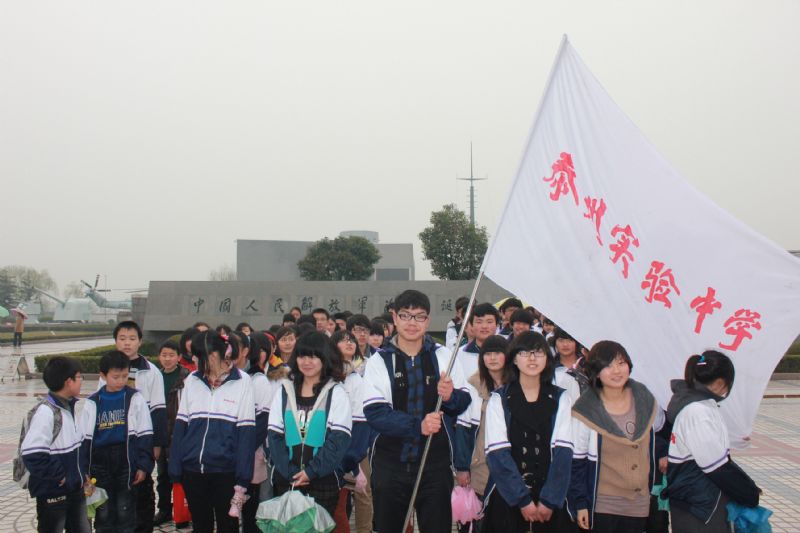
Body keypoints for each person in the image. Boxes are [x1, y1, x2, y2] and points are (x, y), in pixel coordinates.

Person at [363, 289, 471, 533]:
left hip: (435, 466)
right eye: (405, 315)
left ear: (428, 320)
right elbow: (376, 413)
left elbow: (462, 403)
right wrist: (417, 426)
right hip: (391, 466)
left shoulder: (444, 356)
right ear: (394, 317)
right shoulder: (379, 361)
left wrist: (450, 395)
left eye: (419, 317)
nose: (412, 323)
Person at [568, 340, 666, 533]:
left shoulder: (644, 398)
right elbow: (575, 461)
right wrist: (579, 503)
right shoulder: (586, 409)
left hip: (639, 502)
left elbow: (654, 437)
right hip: (603, 503)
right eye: (607, 366)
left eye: (621, 363)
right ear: (596, 371)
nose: (616, 371)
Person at [482, 332, 574, 532]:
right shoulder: (499, 399)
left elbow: (563, 452)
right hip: (508, 494)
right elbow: (497, 453)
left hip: (550, 496)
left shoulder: (561, 398)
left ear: (547, 359)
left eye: (538, 353)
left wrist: (549, 500)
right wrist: (522, 499)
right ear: (514, 358)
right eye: (524, 353)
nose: (532, 358)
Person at [169, 330, 256, 533]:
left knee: (228, 526)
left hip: (225, 471)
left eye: (198, 355)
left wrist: (243, 477)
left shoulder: (243, 381)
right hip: (192, 470)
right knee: (200, 525)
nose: (193, 359)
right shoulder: (192, 380)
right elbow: (181, 426)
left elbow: (246, 434)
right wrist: (175, 466)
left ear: (214, 355)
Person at [665, 351, 760, 532]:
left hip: (696, 501)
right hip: (701, 504)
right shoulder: (698, 412)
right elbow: (716, 467)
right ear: (719, 383)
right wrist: (748, 492)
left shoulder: (698, 406)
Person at [267, 331, 352, 518]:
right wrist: (291, 473)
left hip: (323, 482)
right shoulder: (284, 391)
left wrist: (311, 472)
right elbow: (274, 436)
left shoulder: (336, 393)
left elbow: (338, 440)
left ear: (325, 358)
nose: (306, 362)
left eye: (313, 357)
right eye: (302, 356)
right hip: (287, 480)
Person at [80, 351, 154, 533]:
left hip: (126, 460)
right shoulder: (92, 402)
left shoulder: (135, 398)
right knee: (103, 511)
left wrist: (143, 465)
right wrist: (84, 471)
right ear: (103, 375)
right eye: (115, 377)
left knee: (125, 509)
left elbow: (145, 433)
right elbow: (84, 439)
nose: (121, 381)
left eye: (124, 376)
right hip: (99, 462)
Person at [21, 356, 91, 533]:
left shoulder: (68, 408)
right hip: (54, 493)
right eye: (79, 376)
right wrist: (60, 476)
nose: (81, 380)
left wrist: (83, 475)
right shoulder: (46, 412)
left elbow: (78, 448)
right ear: (69, 382)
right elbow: (32, 454)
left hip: (75, 489)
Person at [108, 320, 165, 533]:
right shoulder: (108, 369)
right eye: (122, 339)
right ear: (115, 341)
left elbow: (159, 411)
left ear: (140, 342)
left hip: (141, 441)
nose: (127, 343)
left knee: (142, 490)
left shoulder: (151, 372)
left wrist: (157, 445)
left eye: (132, 339)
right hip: (114, 443)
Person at [453, 335, 513, 531]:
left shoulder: (517, 386)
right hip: (479, 465)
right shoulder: (473, 384)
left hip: (510, 465)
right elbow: (463, 429)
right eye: (488, 353)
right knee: (476, 522)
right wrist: (462, 467)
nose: (493, 358)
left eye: (498, 353)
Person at [330, 330, 373, 533]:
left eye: (351, 341)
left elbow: (361, 420)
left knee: (363, 494)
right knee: (335, 499)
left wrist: (353, 456)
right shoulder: (327, 375)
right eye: (343, 340)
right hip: (329, 445)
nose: (349, 343)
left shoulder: (357, 378)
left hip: (355, 445)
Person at [154, 340, 190, 527]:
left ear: (179, 357)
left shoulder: (186, 378)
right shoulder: (156, 377)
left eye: (171, 355)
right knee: (162, 476)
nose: (167, 359)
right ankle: (165, 510)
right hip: (162, 434)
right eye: (164, 355)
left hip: (180, 434)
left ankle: (183, 512)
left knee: (182, 475)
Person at [456, 302, 501, 380]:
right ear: (472, 326)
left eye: (489, 322)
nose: (484, 326)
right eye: (479, 322)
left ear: (497, 325)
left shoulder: (507, 353)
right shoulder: (459, 354)